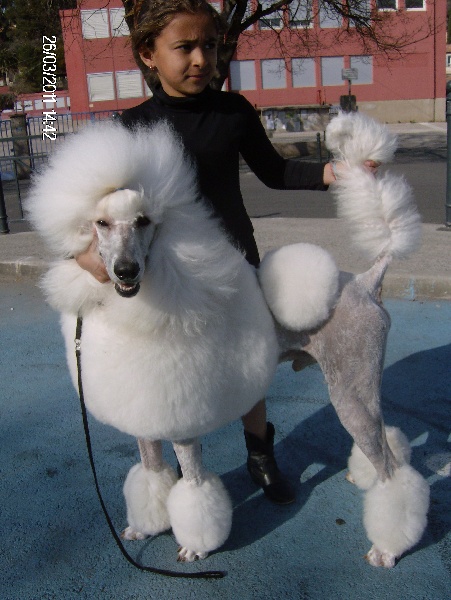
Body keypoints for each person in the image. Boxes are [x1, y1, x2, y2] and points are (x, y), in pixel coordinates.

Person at [76, 0, 378, 505]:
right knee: (160, 374)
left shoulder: (233, 111)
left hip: (236, 264)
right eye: (185, 47)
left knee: (248, 364)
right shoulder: (130, 128)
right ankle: (169, 474)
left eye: (210, 46)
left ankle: (260, 454)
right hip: (166, 279)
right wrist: (89, 259)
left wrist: (335, 172)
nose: (201, 59)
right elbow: (104, 209)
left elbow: (275, 171)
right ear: (149, 54)